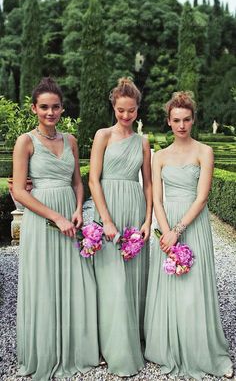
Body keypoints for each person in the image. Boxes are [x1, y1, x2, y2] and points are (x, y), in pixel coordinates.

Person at [13, 77, 99, 380]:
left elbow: (78, 182)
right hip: (42, 221)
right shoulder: (25, 141)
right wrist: (56, 217)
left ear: (63, 109)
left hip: (69, 217)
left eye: (56, 107)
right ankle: (45, 350)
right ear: (35, 108)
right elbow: (21, 192)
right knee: (44, 280)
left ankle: (75, 347)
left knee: (75, 280)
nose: (50, 112)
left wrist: (76, 210)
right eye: (44, 107)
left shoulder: (71, 141)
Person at [144, 91, 233, 380]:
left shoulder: (204, 151)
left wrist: (178, 231)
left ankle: (199, 346)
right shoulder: (161, 157)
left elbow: (202, 197)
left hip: (192, 226)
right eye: (176, 120)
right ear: (168, 122)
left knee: (194, 285)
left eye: (186, 120)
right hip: (167, 223)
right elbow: (157, 199)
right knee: (170, 285)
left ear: (193, 120)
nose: (181, 125)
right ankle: (169, 343)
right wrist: (165, 232)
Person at [89, 77, 152, 376]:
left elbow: (149, 184)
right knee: (111, 280)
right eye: (120, 110)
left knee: (133, 279)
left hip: (135, 209)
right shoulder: (102, 135)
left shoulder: (143, 142)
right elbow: (93, 180)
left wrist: (148, 221)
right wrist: (107, 220)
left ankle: (135, 338)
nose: (126, 116)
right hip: (109, 210)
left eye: (131, 111)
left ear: (138, 110)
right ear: (113, 107)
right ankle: (112, 346)